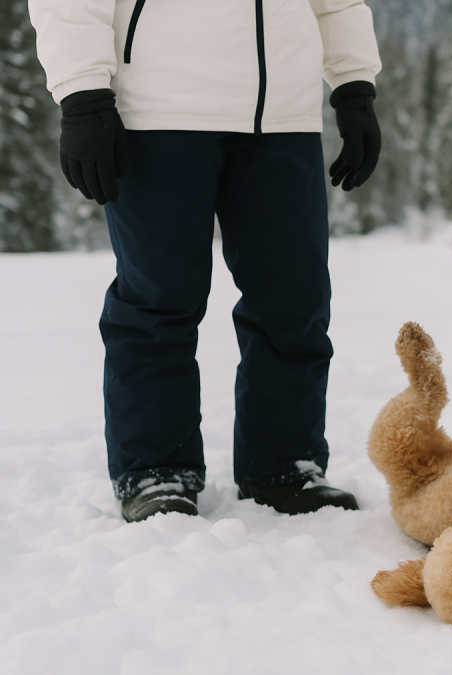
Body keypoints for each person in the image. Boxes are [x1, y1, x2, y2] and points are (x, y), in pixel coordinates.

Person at [28, 0, 383, 522]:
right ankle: (155, 469)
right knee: (157, 299)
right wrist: (82, 94)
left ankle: (284, 464)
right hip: (159, 110)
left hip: (282, 114)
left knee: (294, 300)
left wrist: (353, 84)